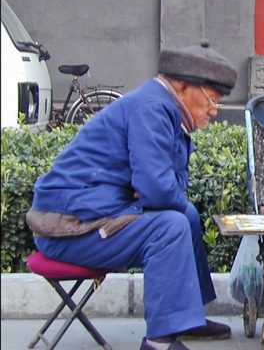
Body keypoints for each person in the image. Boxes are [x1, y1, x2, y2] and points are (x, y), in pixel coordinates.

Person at [26, 40, 238, 350]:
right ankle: (158, 342)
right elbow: (156, 188)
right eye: (211, 99)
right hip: (65, 228)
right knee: (170, 226)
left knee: (186, 215)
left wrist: (161, 193)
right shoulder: (152, 108)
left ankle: (188, 317)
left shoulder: (164, 109)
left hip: (91, 215)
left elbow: (168, 186)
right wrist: (158, 193)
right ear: (181, 86)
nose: (214, 110)